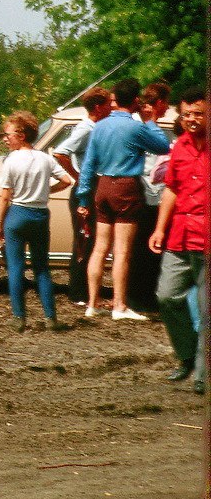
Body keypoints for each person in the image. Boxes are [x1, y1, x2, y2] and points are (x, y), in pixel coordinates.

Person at [76, 78, 171, 320]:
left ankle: (92, 302)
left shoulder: (100, 127)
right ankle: (119, 305)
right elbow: (162, 146)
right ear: (136, 100)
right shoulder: (136, 127)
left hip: (103, 185)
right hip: (126, 186)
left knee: (99, 248)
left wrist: (83, 198)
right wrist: (149, 121)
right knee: (122, 251)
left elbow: (88, 166)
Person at [148, 87, 206, 395]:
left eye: (198, 113)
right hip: (180, 236)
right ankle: (186, 357)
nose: (192, 120)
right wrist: (159, 229)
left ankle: (203, 374)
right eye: (187, 114)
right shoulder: (179, 147)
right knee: (166, 296)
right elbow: (171, 189)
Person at [0, 111, 73, 331]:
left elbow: (5, 195)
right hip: (40, 215)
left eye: (8, 134)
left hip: (18, 213)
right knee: (42, 268)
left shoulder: (12, 160)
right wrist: (47, 191)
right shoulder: (45, 158)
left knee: (15, 268)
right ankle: (51, 318)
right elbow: (68, 180)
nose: (5, 138)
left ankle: (19, 318)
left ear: (21, 135)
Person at [53, 87, 113, 304]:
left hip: (92, 188)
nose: (112, 107)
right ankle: (78, 293)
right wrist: (77, 176)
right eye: (108, 103)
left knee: (92, 239)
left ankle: (85, 291)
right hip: (83, 192)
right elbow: (60, 152)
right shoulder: (86, 129)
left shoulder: (96, 128)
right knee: (83, 240)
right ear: (98, 107)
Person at [128, 82, 171, 312]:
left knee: (148, 249)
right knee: (142, 249)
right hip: (144, 192)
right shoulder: (144, 126)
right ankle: (139, 297)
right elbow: (161, 149)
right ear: (160, 102)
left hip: (152, 193)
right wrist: (151, 121)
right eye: (166, 103)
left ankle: (145, 294)